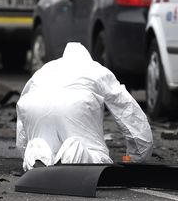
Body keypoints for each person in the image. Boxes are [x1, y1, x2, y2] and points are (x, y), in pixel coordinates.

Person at [16, 42, 153, 171]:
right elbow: (128, 112)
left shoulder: (43, 71)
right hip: (74, 105)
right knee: (92, 155)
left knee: (40, 144)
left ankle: (36, 155)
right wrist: (137, 158)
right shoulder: (97, 70)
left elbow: (22, 114)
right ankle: (73, 155)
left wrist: (23, 150)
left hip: (33, 105)